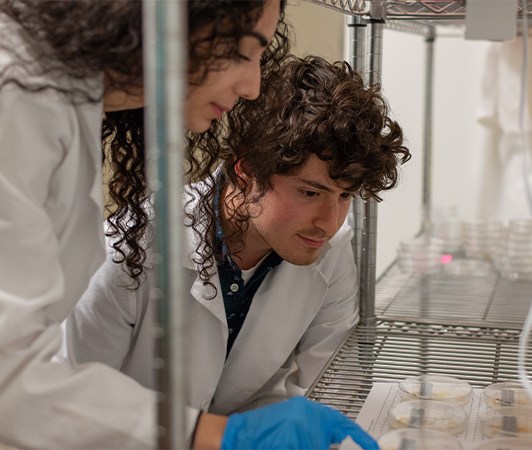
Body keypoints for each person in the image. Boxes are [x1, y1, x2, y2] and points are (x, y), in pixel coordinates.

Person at [0, 1, 378, 448]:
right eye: (242, 49)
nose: (253, 86)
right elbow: (18, 383)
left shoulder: (66, 106)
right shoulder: (20, 99)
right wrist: (218, 436)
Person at [57, 56, 411, 422]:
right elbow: (70, 409)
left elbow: (332, 398)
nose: (329, 222)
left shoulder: (329, 253)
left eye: (344, 196)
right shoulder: (127, 250)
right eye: (310, 193)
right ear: (245, 171)